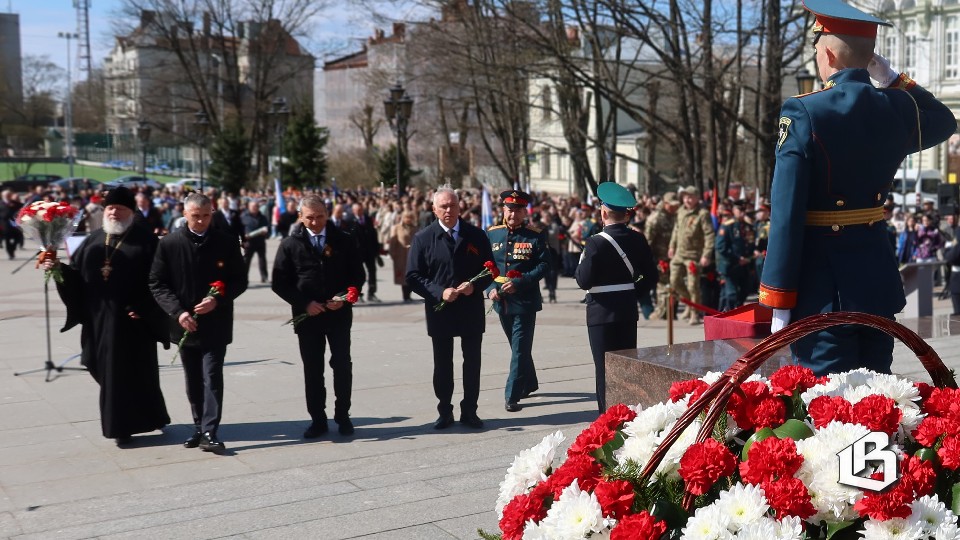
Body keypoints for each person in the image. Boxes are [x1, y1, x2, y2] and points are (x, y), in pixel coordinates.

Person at [759, 0, 957, 375]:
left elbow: (785, 212)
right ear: (870, 59)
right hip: (877, 285)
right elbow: (945, 121)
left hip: (822, 292)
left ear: (828, 55)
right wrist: (892, 77)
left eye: (818, 50)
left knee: (829, 410)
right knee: (876, 402)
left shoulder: (803, 110)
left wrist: (779, 299)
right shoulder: (897, 106)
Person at [44, 187, 170, 445]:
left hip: (132, 321)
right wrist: (57, 268)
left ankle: (120, 427)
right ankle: (150, 415)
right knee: (95, 362)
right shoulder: (93, 239)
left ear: (131, 212)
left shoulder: (147, 241)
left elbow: (161, 281)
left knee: (125, 374)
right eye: (110, 208)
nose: (114, 212)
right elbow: (77, 278)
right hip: (98, 320)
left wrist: (145, 309)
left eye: (120, 208)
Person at [149, 193, 248, 454]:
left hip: (216, 323)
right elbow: (157, 283)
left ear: (212, 214)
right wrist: (178, 312)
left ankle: (210, 430)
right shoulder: (169, 244)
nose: (201, 221)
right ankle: (197, 425)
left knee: (212, 376)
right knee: (193, 378)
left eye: (206, 216)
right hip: (185, 324)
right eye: (196, 216)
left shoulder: (226, 242)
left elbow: (239, 280)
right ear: (185, 214)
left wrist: (218, 300)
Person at [272, 195, 366, 439]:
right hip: (308, 318)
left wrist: (344, 297)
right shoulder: (290, 244)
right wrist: (305, 304)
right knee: (313, 370)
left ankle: (343, 416)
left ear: (328, 214)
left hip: (339, 316)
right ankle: (317, 419)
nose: (315, 222)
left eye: (320, 217)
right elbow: (280, 283)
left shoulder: (344, 240)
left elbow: (358, 276)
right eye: (310, 218)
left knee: (342, 366)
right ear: (301, 217)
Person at [406, 186, 494, 430]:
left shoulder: (476, 235)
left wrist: (474, 287)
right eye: (443, 206)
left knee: (472, 361)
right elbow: (412, 276)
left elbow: (490, 270)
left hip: (470, 309)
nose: (448, 210)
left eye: (452, 205)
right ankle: (444, 411)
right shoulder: (423, 238)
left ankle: (470, 411)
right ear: (434, 209)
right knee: (443, 364)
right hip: (440, 310)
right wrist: (438, 292)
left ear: (460, 207)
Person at [575, 182, 658, 413]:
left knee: (604, 370)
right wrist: (632, 293)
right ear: (626, 214)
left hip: (600, 312)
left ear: (603, 212)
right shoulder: (638, 239)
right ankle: (627, 415)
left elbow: (583, 281)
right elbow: (652, 276)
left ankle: (606, 418)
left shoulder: (595, 242)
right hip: (627, 310)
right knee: (626, 368)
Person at [485, 190, 550, 413]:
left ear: (525, 212)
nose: (513, 214)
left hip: (524, 300)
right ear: (503, 210)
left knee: (520, 348)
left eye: (518, 210)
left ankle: (512, 394)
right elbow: (484, 267)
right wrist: (489, 289)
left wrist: (521, 282)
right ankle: (529, 382)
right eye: (509, 209)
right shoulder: (492, 234)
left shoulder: (535, 235)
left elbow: (543, 266)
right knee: (517, 347)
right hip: (501, 300)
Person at [668, 186, 715, 324]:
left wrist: (706, 254)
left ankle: (695, 313)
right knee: (674, 281)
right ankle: (689, 304)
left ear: (697, 198)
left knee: (693, 285)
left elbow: (709, 235)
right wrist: (671, 246)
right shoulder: (681, 211)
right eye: (685, 197)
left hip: (694, 255)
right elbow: (676, 230)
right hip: (679, 254)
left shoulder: (702, 213)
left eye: (690, 197)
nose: (687, 200)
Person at [645, 192, 680, 320]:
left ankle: (672, 314)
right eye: (672, 205)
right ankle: (661, 315)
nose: (675, 208)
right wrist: (652, 261)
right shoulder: (655, 219)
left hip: (675, 258)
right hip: (661, 260)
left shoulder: (676, 216)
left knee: (675, 287)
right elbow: (648, 242)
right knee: (663, 289)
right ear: (665, 204)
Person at [715, 201, 755, 311]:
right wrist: (737, 258)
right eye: (739, 210)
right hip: (731, 266)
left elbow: (750, 244)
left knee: (744, 291)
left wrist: (750, 257)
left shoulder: (748, 226)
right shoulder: (727, 226)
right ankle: (728, 314)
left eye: (744, 210)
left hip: (744, 266)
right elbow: (721, 247)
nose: (742, 213)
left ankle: (736, 312)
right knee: (731, 294)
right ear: (734, 211)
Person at [343, 203, 382, 302]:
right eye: (357, 210)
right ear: (353, 211)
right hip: (357, 252)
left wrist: (377, 251)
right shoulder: (348, 220)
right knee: (358, 274)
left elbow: (373, 234)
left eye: (360, 210)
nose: (359, 212)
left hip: (369, 251)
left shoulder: (368, 219)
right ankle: (358, 294)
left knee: (372, 271)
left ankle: (371, 293)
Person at [388, 210, 418, 302]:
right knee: (402, 277)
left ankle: (408, 294)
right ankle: (405, 296)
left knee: (412, 274)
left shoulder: (416, 228)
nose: (408, 219)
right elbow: (392, 243)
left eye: (410, 217)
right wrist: (393, 254)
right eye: (406, 217)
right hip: (401, 256)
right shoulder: (396, 228)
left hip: (412, 255)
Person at [240, 200, 270, 283]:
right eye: (253, 206)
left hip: (260, 241)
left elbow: (268, 227)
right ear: (249, 207)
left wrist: (266, 233)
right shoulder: (243, 216)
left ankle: (264, 277)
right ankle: (243, 278)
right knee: (246, 260)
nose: (255, 208)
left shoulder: (262, 217)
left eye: (256, 206)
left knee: (262, 259)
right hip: (248, 242)